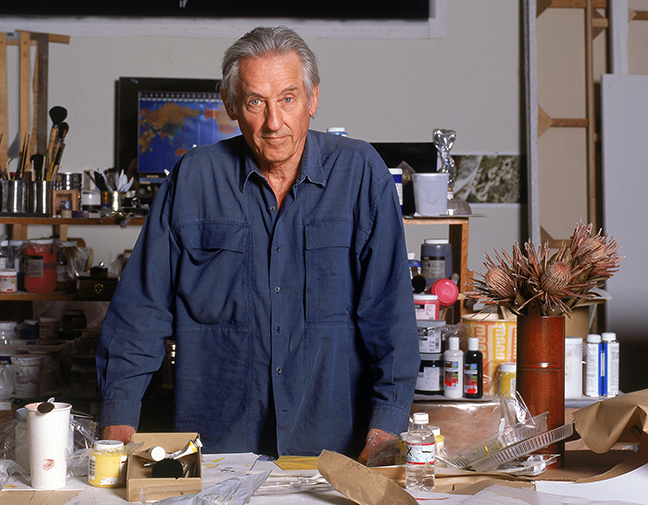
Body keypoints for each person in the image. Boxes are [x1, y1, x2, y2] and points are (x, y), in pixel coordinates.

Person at [96, 25, 418, 462]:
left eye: (288, 99)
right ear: (231, 105)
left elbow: (390, 317)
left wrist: (385, 429)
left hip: (333, 448)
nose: (273, 122)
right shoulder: (194, 178)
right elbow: (141, 311)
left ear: (313, 99)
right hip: (217, 447)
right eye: (255, 102)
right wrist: (118, 421)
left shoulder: (360, 173)